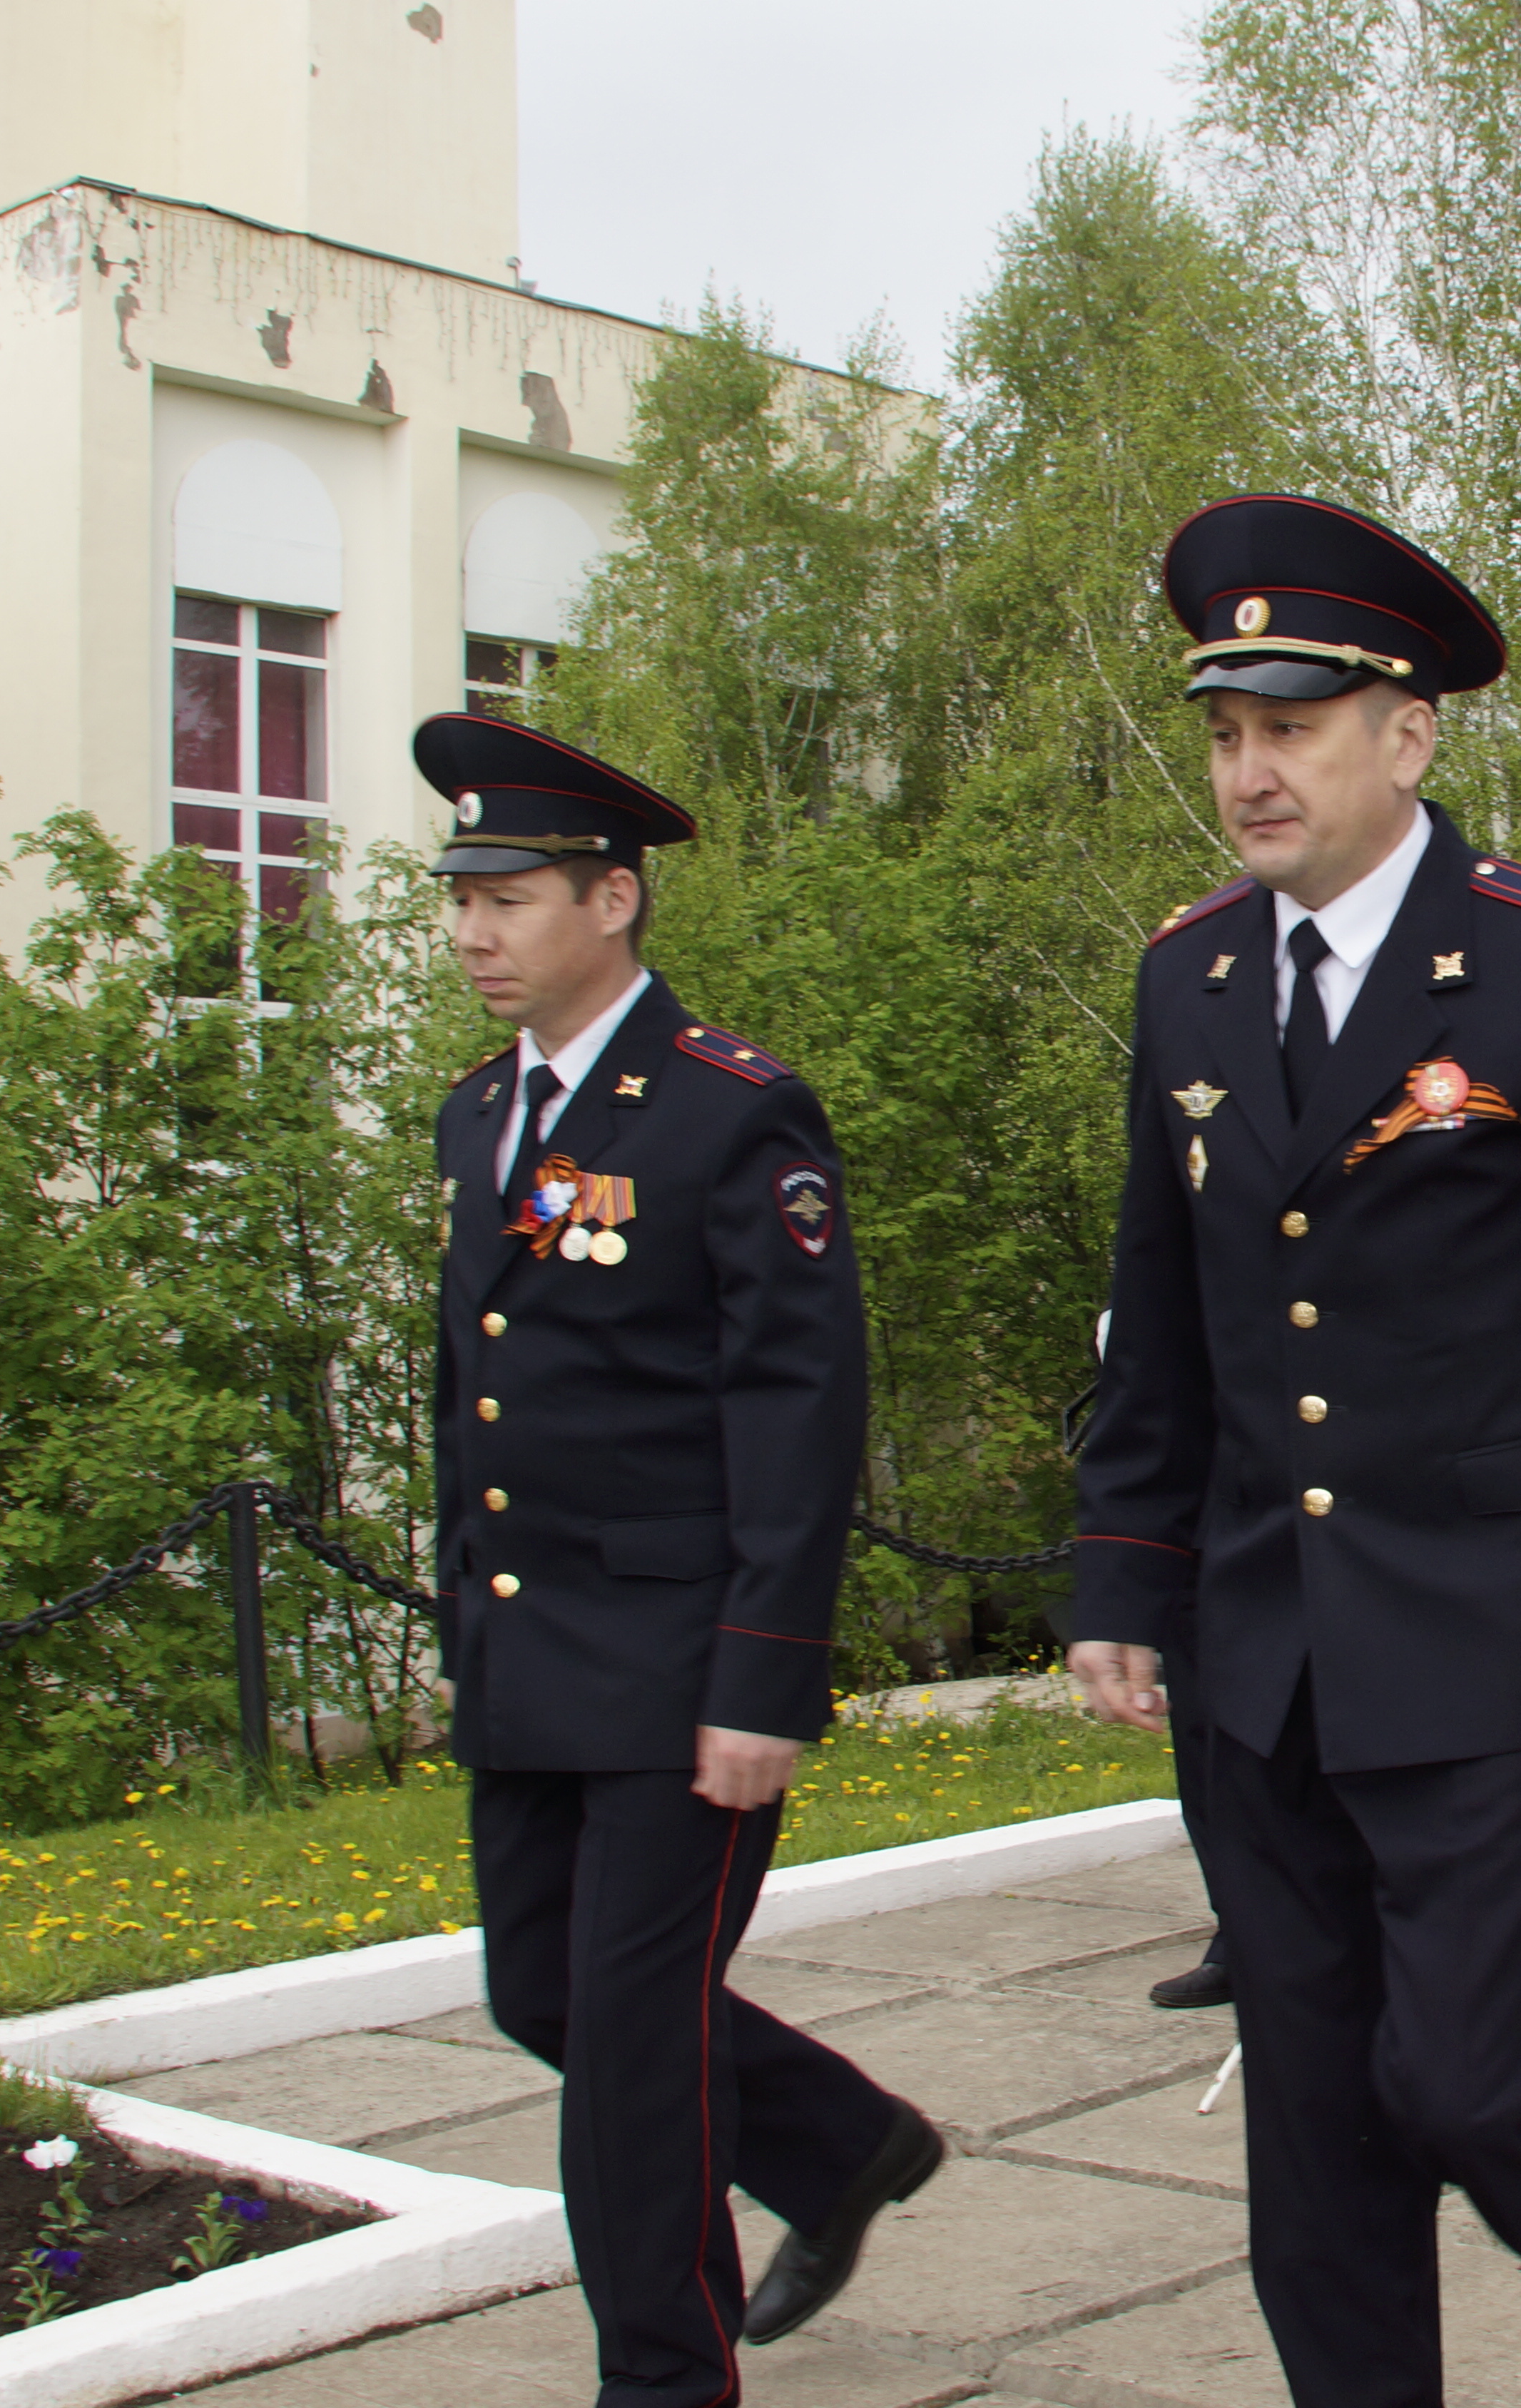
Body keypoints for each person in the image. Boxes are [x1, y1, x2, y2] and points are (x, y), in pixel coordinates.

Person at [1062, 496, 1521, 2408]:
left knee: (1473, 2086)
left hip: (1501, 1654)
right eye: (1227, 733)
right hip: (1267, 1659)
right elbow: (1165, 1301)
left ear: (1410, 735)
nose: (1250, 771)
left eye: (1291, 728)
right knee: (1317, 2135)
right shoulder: (1192, 977)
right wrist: (1124, 1569)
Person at [419, 712, 943, 2407]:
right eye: (461, 898)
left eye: (509, 897)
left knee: (636, 2059)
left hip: (677, 1661)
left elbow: (799, 1409)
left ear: (614, 898)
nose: (475, 930)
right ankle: (842, 2139)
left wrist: (767, 1673)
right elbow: (475, 1389)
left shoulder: (730, 1113)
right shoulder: (479, 1114)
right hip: (530, 1651)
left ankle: (663, 2379)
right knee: (541, 1995)